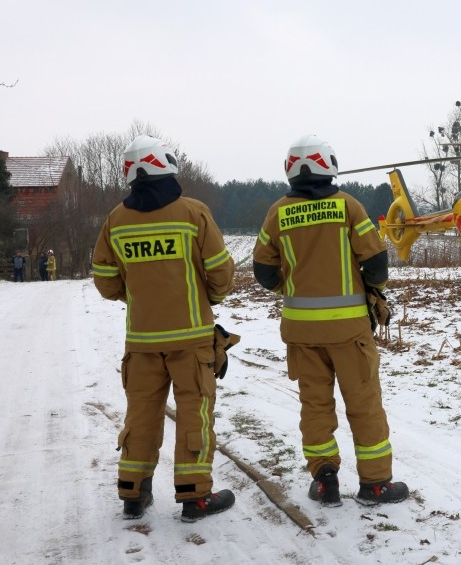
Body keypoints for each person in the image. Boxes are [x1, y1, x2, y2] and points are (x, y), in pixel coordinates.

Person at [252, 134, 409, 508]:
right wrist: (373, 290)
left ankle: (324, 479)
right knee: (364, 404)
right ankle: (375, 485)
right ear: (329, 165)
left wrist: (290, 286)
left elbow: (263, 270)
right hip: (350, 331)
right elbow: (376, 264)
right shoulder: (349, 207)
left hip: (302, 333)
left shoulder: (277, 212)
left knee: (315, 406)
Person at [91, 135, 237, 523]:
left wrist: (139, 295)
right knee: (194, 412)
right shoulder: (193, 213)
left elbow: (105, 281)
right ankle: (195, 496)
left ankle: (133, 495)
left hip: (141, 340)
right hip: (191, 339)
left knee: (141, 414)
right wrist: (211, 299)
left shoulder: (115, 220)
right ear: (168, 166)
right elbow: (221, 271)